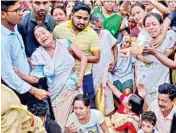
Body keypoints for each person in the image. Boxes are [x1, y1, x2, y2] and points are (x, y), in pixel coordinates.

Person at [14, 24, 87, 131]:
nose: (42, 36)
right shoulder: (38, 55)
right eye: (38, 36)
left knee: (80, 120)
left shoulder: (65, 43)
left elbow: (83, 57)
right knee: (62, 125)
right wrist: (20, 75)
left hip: (76, 87)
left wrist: (80, 77)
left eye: (43, 33)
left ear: (51, 33)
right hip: (58, 94)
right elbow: (35, 78)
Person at [1, 0, 49, 105]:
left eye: (21, 9)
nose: (21, 13)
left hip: (29, 81)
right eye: (17, 10)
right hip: (18, 91)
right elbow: (7, 74)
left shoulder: (15, 26)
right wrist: (34, 91)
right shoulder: (2, 40)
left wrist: (25, 59)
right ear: (3, 14)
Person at [54, 2, 100, 108]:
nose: (82, 21)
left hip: (85, 75)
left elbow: (96, 58)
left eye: (85, 19)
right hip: (64, 74)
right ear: (71, 15)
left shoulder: (92, 34)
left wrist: (77, 56)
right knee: (66, 105)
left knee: (88, 104)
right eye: (79, 17)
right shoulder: (59, 30)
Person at [91, 13, 117, 115]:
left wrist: (114, 61)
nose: (98, 29)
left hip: (105, 72)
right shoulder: (87, 34)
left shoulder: (106, 34)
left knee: (108, 99)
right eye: (96, 27)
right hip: (92, 73)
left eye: (100, 27)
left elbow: (114, 46)